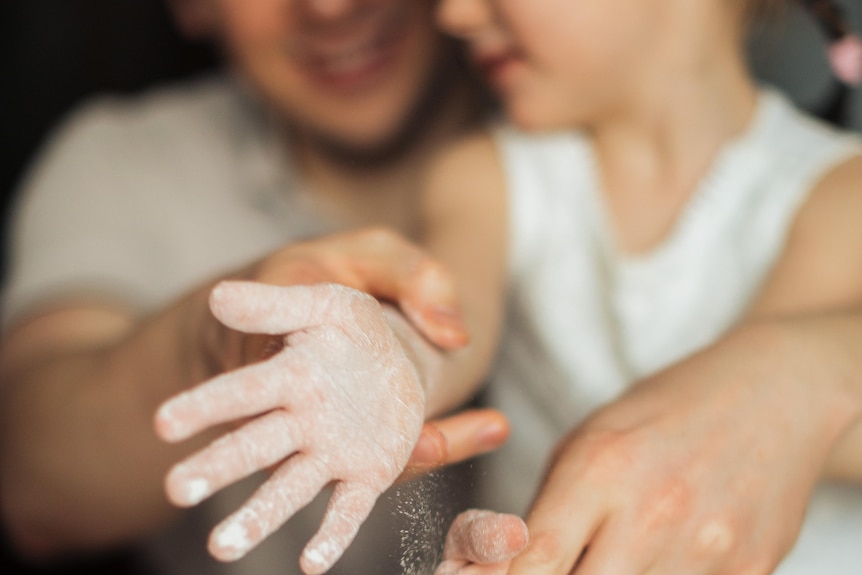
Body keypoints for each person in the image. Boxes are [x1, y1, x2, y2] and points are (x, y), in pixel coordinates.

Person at [152, 0, 862, 572]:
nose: (454, 13)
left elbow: (741, 440)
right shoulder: (489, 174)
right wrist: (384, 359)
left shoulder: (840, 193)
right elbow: (448, 316)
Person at [0, 1, 510, 574]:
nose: (330, 8)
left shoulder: (567, 117)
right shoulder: (118, 164)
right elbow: (32, 492)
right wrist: (214, 343)